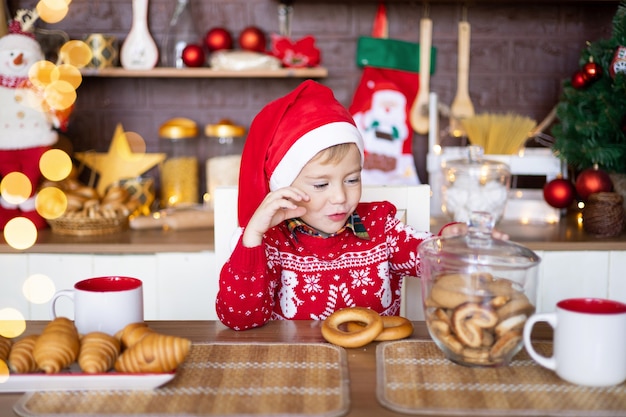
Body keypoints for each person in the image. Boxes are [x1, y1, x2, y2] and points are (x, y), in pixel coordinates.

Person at [215, 80, 466, 331]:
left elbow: (435, 261)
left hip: (372, 367)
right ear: (284, 188)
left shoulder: (382, 227)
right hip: (297, 365)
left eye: (352, 179)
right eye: (321, 185)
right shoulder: (272, 242)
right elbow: (239, 319)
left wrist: (453, 242)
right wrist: (253, 236)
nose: (340, 197)